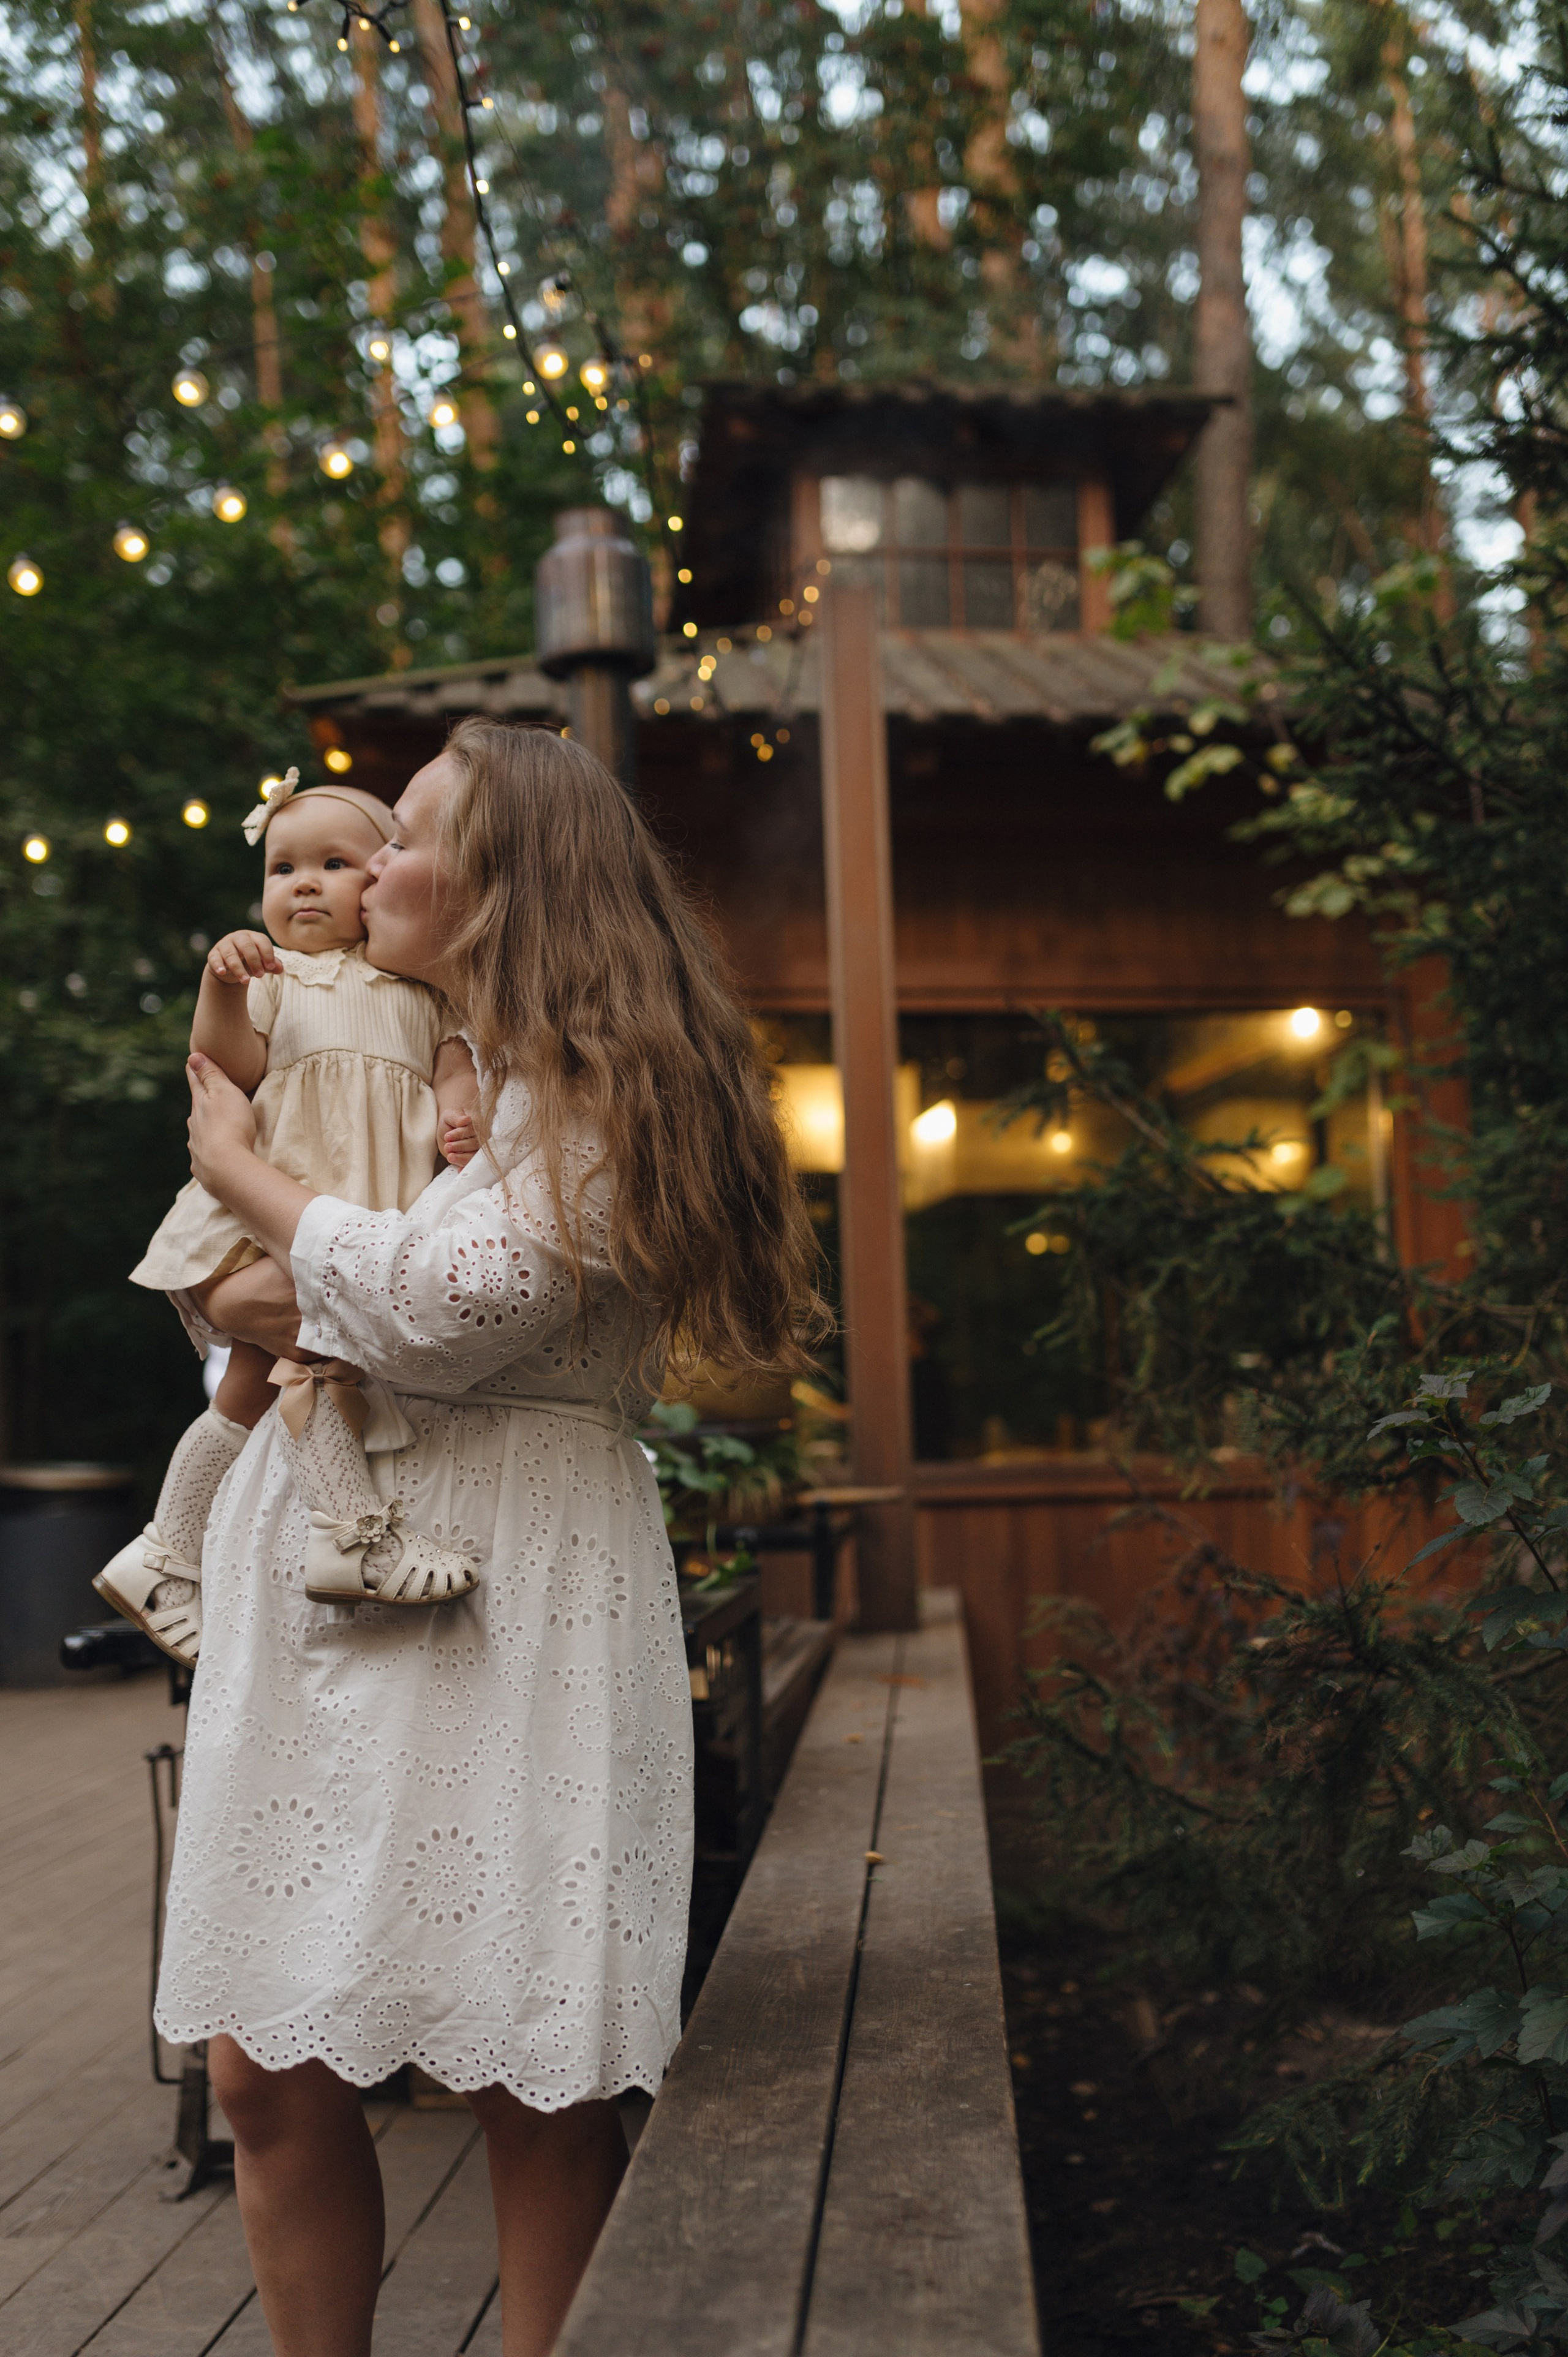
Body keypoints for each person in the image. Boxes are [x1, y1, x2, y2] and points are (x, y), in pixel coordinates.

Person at [157, 718, 825, 2357]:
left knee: (530, 2070)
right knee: (260, 2067)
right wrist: (293, 1257)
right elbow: (232, 1300)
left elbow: (448, 1304)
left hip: (514, 1592)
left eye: (404, 836)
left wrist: (241, 1171)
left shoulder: (601, 1086)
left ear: (505, 877)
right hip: (318, 1591)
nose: (367, 865)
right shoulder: (391, 1075)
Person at [96, 771, 483, 1667]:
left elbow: (455, 1068)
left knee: (250, 1389)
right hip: (274, 1217)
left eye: (334, 864)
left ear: (379, 880)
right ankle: (349, 1533)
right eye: (282, 868)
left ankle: (164, 1553)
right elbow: (224, 1063)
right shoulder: (276, 976)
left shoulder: (424, 992)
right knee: (317, 1359)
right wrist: (223, 985)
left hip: (349, 1226)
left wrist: (460, 1112)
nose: (304, 883)